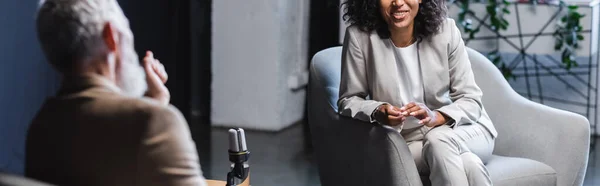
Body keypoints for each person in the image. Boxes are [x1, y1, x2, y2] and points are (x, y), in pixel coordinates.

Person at [25, 0, 207, 185]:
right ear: (110, 36)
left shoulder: (41, 128)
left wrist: (154, 104)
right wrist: (156, 115)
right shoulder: (155, 123)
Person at [338, 0, 498, 185]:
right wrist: (378, 110)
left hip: (465, 129)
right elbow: (348, 99)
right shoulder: (359, 37)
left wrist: (436, 117)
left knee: (438, 138)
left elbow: (470, 99)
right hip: (409, 141)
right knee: (469, 164)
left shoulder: (446, 30)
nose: (398, 3)